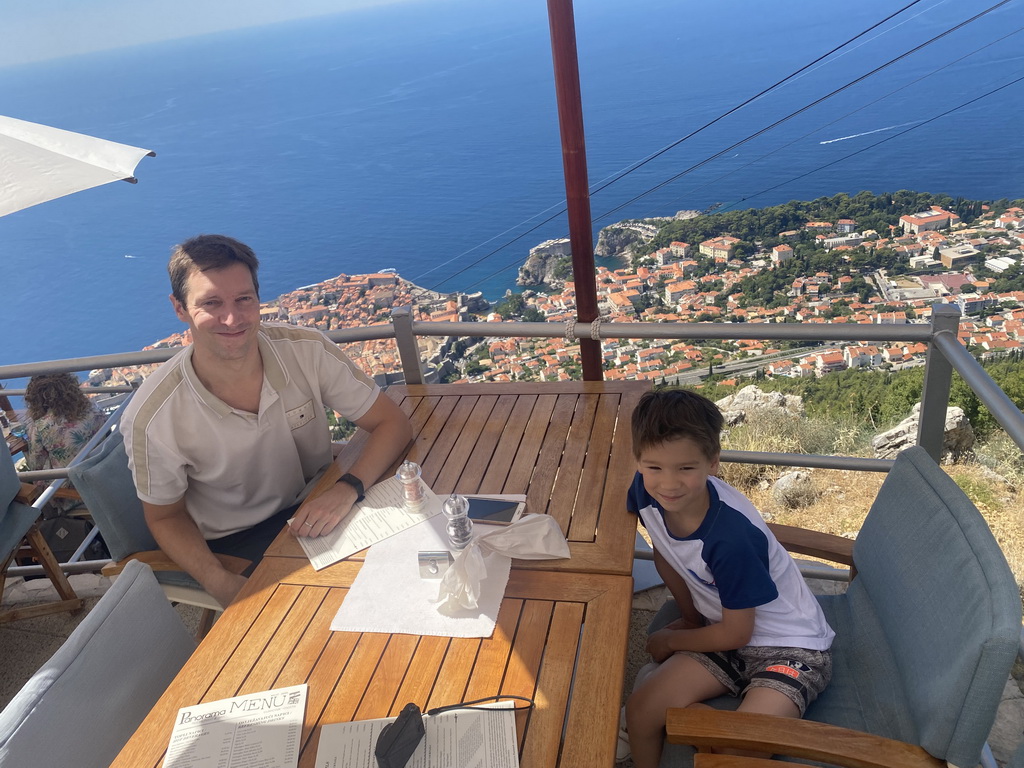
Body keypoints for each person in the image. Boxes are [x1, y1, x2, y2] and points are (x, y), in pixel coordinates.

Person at [120, 234, 413, 609]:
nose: (232, 318)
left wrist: (346, 488)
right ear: (179, 308)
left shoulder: (306, 350)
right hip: (238, 543)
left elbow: (393, 424)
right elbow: (165, 518)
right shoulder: (153, 417)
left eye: (244, 299)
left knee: (410, 573)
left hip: (321, 499)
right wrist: (220, 583)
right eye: (211, 303)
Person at [623, 389, 834, 767]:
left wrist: (672, 640)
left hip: (789, 649)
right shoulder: (645, 493)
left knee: (735, 752)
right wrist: (689, 619)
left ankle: (709, 720)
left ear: (713, 462)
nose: (668, 484)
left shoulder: (730, 538)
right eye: (654, 467)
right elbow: (666, 552)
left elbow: (738, 633)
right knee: (640, 711)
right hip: (723, 632)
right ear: (638, 460)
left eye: (685, 468)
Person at [23, 373, 108, 513]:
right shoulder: (93, 408)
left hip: (75, 492)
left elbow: (35, 466)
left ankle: (51, 527)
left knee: (31, 484)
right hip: (104, 475)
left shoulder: (41, 426)